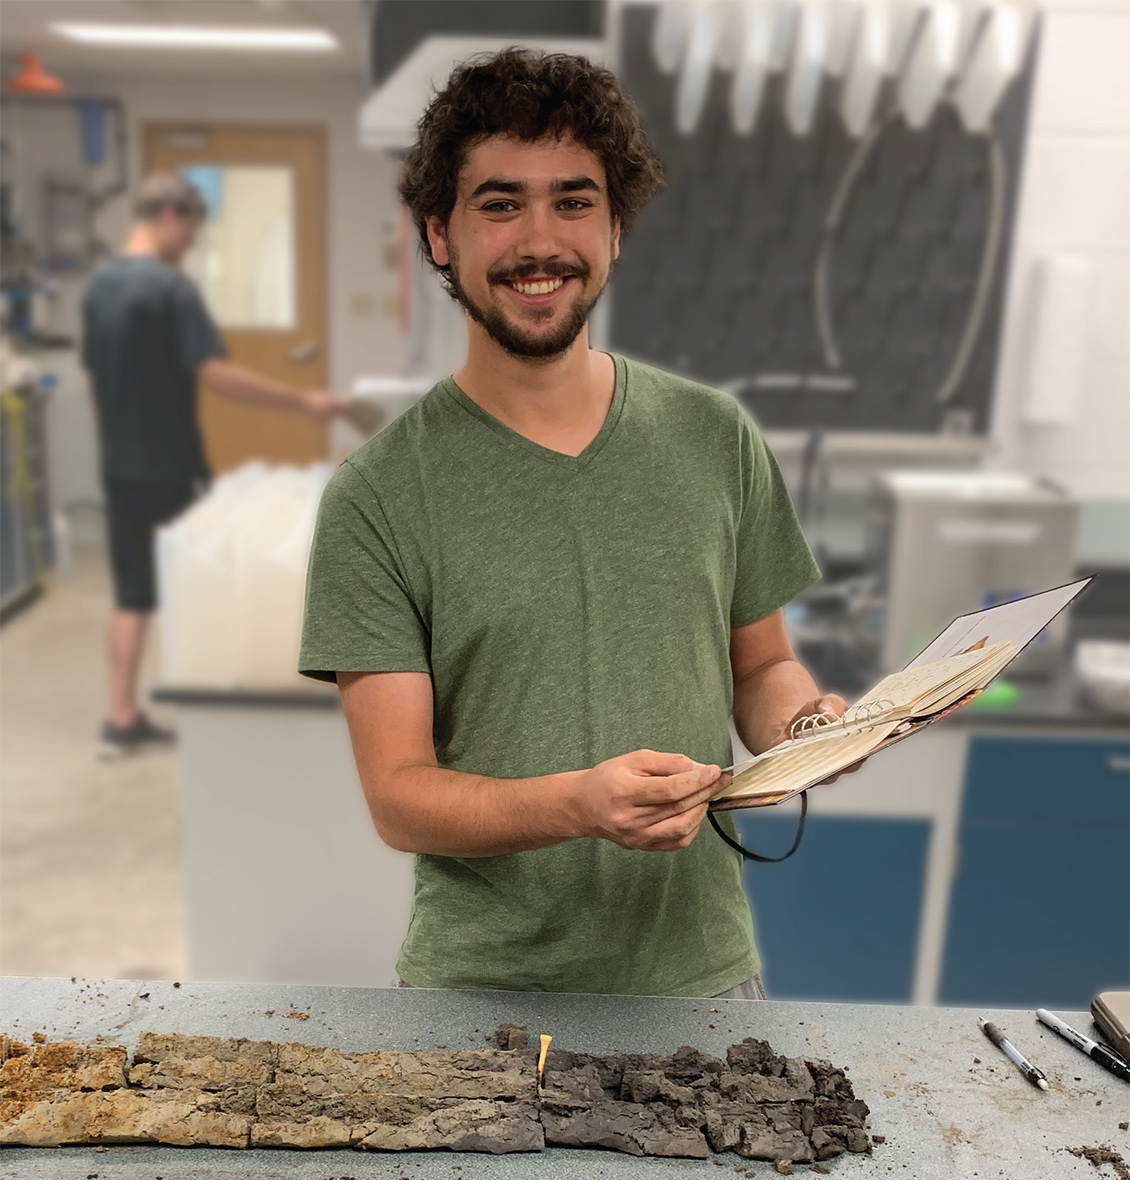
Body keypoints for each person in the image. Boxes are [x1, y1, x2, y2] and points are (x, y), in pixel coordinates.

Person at [299, 49, 846, 999]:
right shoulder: (378, 495)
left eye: (574, 201)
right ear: (440, 234)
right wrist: (579, 805)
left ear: (617, 227)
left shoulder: (715, 438)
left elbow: (759, 667)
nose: (539, 241)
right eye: (500, 204)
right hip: (479, 997)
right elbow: (400, 796)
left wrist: (813, 730)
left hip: (703, 982)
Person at [82, 171, 346, 758]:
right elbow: (216, 374)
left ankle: (119, 717)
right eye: (192, 230)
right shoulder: (171, 292)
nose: (192, 244)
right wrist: (300, 400)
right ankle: (210, 715)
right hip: (170, 465)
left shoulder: (100, 286)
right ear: (171, 215)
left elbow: (94, 382)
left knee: (131, 593)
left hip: (119, 462)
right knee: (194, 581)